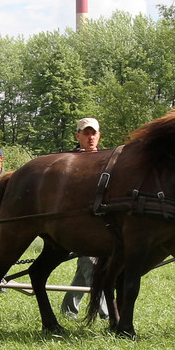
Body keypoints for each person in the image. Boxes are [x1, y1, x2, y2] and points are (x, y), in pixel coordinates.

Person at [62, 118, 108, 320]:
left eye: (94, 133)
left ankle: (69, 308)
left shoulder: (109, 160)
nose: (90, 137)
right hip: (80, 223)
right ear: (77, 136)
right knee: (90, 264)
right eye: (86, 133)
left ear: (99, 135)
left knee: (87, 267)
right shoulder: (69, 162)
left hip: (105, 222)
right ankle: (108, 313)